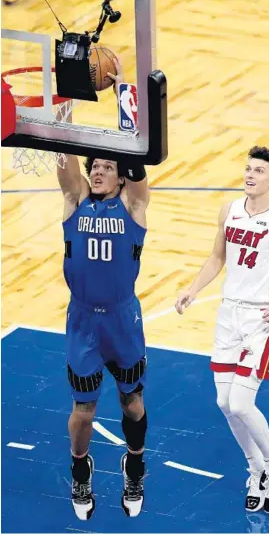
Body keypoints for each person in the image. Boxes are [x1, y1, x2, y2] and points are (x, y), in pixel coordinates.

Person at [175, 146, 269, 514]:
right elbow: (218, 256)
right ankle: (257, 469)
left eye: (260, 170)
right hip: (228, 314)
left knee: (240, 402)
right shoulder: (229, 211)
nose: (251, 175)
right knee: (223, 402)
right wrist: (193, 288)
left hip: (261, 319)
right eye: (248, 169)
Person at [57, 58, 149, 520]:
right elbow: (65, 158)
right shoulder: (75, 202)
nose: (98, 170)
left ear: (120, 177)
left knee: (132, 403)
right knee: (85, 410)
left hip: (122, 317)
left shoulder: (133, 207)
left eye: (107, 166)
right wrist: (66, 99)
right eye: (96, 165)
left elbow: (136, 157)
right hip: (82, 320)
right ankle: (80, 472)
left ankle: (134, 466)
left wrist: (124, 97)